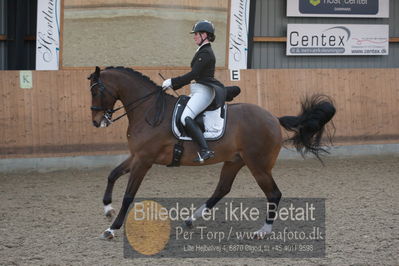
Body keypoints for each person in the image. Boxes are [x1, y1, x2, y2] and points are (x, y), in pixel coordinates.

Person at [162, 20, 226, 163]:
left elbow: (193, 74)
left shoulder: (206, 53)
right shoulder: (202, 51)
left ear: (205, 35)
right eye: (195, 34)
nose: (194, 37)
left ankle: (205, 150)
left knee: (186, 117)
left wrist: (173, 82)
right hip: (198, 90)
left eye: (197, 34)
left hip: (204, 91)